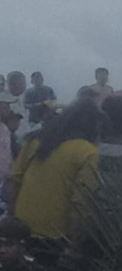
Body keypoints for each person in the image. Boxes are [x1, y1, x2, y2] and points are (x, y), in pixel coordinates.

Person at [3, 100, 102, 243]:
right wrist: (74, 240)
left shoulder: (35, 141)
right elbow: (79, 202)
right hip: (56, 235)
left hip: (20, 229)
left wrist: (12, 219)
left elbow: (13, 181)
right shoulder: (87, 152)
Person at [5, 72, 29, 140]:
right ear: (7, 84)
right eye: (13, 84)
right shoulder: (2, 100)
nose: (17, 86)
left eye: (21, 83)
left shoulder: (33, 97)